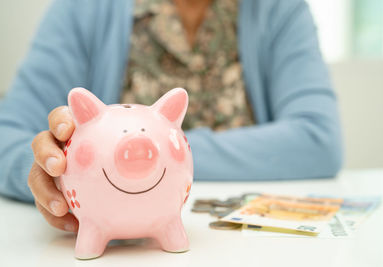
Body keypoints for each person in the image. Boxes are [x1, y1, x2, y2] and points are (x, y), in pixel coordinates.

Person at [0, 0, 343, 233]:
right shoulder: (85, 9)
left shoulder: (279, 9)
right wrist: (49, 173)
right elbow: (8, 134)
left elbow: (317, 139)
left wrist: (147, 157)